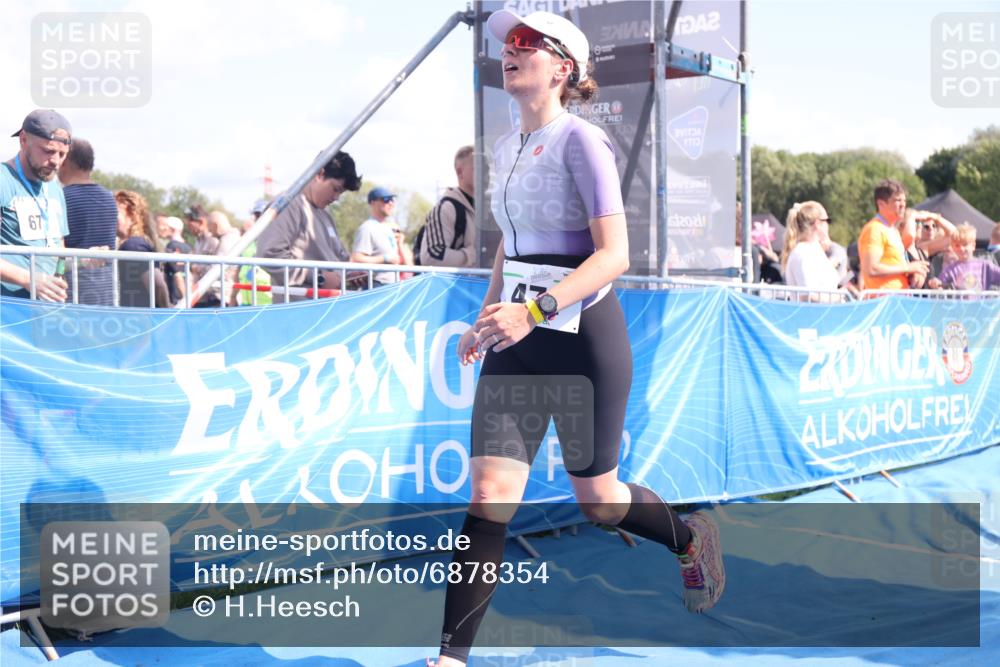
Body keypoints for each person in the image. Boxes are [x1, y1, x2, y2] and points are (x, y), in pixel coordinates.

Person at [427, 11, 725, 667]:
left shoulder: (583, 142)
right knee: (488, 495)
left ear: (563, 68)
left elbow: (613, 253)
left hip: (583, 337)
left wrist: (531, 312)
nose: (511, 50)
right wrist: (488, 313)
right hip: (519, 339)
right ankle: (450, 657)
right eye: (508, 43)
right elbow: (511, 241)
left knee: (598, 500)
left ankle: (688, 536)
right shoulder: (503, 149)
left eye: (528, 43)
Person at [256, 151, 361, 298]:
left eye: (341, 193)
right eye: (335, 189)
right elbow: (268, 254)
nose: (336, 197)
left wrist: (350, 274)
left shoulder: (325, 214)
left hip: (328, 310)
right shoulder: (287, 204)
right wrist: (319, 278)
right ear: (320, 173)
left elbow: (339, 257)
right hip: (301, 312)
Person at [1, 109, 71, 302]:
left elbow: (59, 252)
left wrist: (82, 261)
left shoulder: (55, 189)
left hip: (41, 310)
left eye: (62, 154)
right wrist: (28, 279)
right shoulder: (3, 180)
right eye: (48, 151)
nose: (56, 161)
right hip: (7, 310)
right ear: (23, 140)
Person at [57, 137, 117, 305]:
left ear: (66, 161)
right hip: (107, 289)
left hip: (73, 292)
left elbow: (56, 255)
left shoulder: (61, 199)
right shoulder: (109, 198)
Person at [857, 179, 928, 294]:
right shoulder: (874, 229)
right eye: (898, 200)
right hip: (883, 303)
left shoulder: (893, 230)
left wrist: (912, 275)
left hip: (897, 301)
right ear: (881, 204)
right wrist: (908, 268)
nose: (903, 205)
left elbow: (893, 265)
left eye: (904, 200)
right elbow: (871, 268)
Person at [417, 146, 477, 267]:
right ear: (460, 172)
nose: (487, 173)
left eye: (487, 168)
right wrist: (476, 255)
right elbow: (431, 257)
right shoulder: (447, 208)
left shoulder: (491, 208)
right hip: (457, 285)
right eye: (479, 168)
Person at [115, 189, 168, 307]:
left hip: (140, 320)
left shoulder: (134, 246)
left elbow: (158, 285)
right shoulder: (136, 243)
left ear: (132, 215)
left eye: (115, 212)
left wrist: (166, 316)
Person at [780, 201, 840, 300]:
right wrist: (838, 297)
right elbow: (807, 296)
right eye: (827, 221)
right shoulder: (803, 253)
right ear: (817, 224)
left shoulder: (813, 250)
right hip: (812, 314)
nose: (828, 225)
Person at [350, 186, 406, 286]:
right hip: (377, 285)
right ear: (373, 203)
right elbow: (357, 258)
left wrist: (401, 244)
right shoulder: (367, 228)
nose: (391, 203)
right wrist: (385, 258)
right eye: (386, 199)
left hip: (393, 284)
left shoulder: (389, 228)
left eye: (392, 200)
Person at [935, 223, 1000, 291]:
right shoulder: (950, 270)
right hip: (960, 301)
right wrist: (936, 283)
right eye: (957, 246)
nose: (962, 249)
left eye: (965, 244)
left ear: (973, 246)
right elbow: (939, 285)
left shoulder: (985, 266)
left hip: (981, 301)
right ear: (953, 248)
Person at [208, 210, 241, 304]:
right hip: (228, 294)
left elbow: (216, 270)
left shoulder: (227, 242)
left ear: (215, 226)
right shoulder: (232, 239)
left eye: (210, 229)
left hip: (225, 296)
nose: (210, 233)